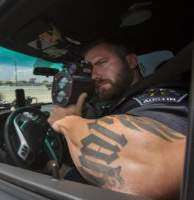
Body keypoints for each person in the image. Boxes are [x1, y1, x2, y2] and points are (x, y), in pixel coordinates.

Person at [47, 39, 188, 200]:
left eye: (102, 63)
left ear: (130, 61)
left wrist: (67, 121)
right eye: (90, 69)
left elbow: (152, 173)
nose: (94, 76)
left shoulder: (159, 94)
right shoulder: (122, 100)